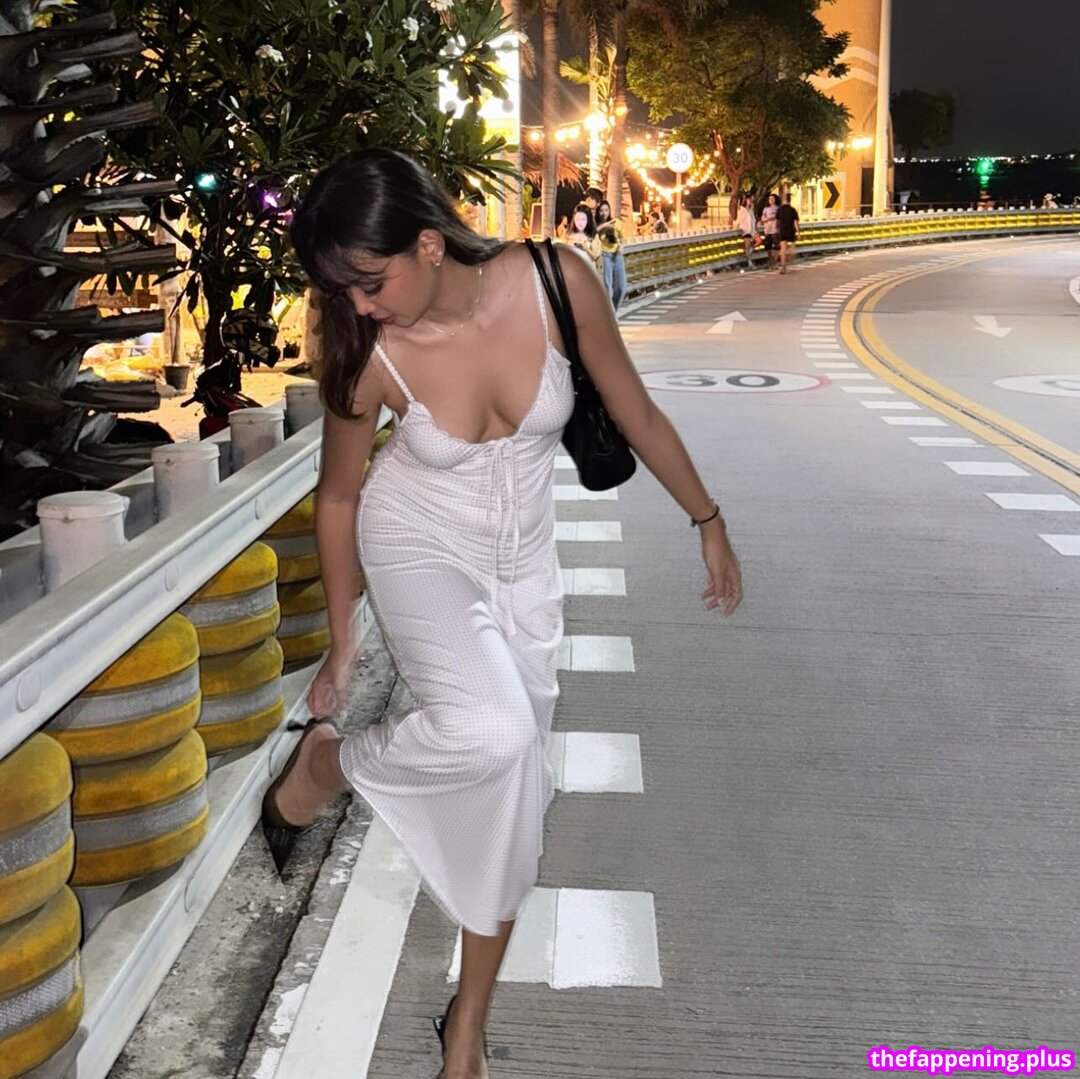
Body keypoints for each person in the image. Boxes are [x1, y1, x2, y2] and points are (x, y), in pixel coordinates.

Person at [272, 147, 743, 1079]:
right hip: (418, 545)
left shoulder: (556, 282)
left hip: (524, 564)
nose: (360, 304)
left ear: (429, 242)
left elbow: (638, 413)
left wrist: (708, 519)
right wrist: (344, 642)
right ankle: (327, 764)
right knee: (495, 735)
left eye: (370, 281)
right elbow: (340, 497)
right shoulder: (369, 351)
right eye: (343, 289)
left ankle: (467, 1027)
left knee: (518, 787)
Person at [594, 199, 627, 310]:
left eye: (606, 210)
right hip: (604, 256)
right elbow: (591, 233)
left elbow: (623, 238)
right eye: (601, 211)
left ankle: (613, 312)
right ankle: (610, 314)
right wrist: (604, 226)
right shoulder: (596, 224)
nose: (604, 213)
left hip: (617, 256)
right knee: (607, 288)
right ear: (598, 212)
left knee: (621, 288)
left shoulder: (616, 222)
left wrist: (622, 246)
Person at [563, 202, 603, 275]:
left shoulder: (593, 236)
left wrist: (585, 248)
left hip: (588, 272)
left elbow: (595, 256)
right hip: (570, 271)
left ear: (588, 220)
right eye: (578, 219)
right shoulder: (567, 234)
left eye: (583, 219)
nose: (580, 222)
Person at [776, 193, 800, 274]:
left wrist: (777, 230)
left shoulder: (779, 210)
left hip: (782, 230)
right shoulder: (793, 210)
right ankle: (788, 258)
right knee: (792, 248)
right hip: (790, 230)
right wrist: (798, 233)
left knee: (782, 249)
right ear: (790, 200)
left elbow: (777, 222)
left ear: (784, 200)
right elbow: (795, 223)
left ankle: (783, 267)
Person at [735, 192, 756, 268]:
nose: (751, 201)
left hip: (751, 231)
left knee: (750, 246)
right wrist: (736, 227)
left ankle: (748, 261)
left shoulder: (750, 210)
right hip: (745, 231)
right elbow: (739, 220)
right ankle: (749, 262)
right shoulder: (743, 210)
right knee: (747, 247)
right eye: (749, 199)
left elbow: (753, 220)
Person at [760, 193, 780, 269]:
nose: (771, 200)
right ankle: (771, 261)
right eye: (769, 199)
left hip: (775, 230)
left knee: (776, 247)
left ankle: (775, 262)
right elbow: (762, 219)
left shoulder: (778, 208)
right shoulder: (766, 209)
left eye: (772, 199)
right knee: (768, 247)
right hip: (767, 230)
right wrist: (767, 219)